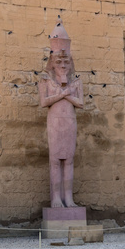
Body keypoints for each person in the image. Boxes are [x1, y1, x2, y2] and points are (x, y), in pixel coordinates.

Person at [39, 47, 84, 208]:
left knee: (69, 160)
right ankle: (56, 198)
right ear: (52, 63)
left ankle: (69, 198)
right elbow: (44, 102)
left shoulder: (76, 81)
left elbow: (80, 103)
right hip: (55, 122)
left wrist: (66, 94)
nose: (63, 65)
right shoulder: (46, 80)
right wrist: (62, 94)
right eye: (59, 61)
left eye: (66, 61)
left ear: (71, 63)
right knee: (56, 160)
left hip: (69, 122)